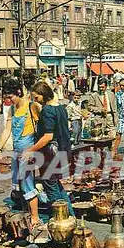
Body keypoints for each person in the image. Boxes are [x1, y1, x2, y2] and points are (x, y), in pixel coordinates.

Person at [0, 77, 42, 232]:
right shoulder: (12, 109)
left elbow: (42, 128)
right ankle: (26, 213)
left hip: (28, 151)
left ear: (18, 92)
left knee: (27, 184)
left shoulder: (32, 106)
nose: (9, 101)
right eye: (6, 98)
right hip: (17, 152)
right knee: (19, 185)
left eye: (10, 97)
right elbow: (7, 130)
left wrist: (35, 150)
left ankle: (35, 218)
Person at [22, 81, 75, 217]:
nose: (36, 101)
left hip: (51, 153)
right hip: (63, 150)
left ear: (44, 95)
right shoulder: (61, 108)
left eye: (37, 97)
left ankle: (61, 219)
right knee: (56, 185)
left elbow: (48, 136)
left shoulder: (47, 110)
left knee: (51, 188)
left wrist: (31, 150)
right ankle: (71, 217)